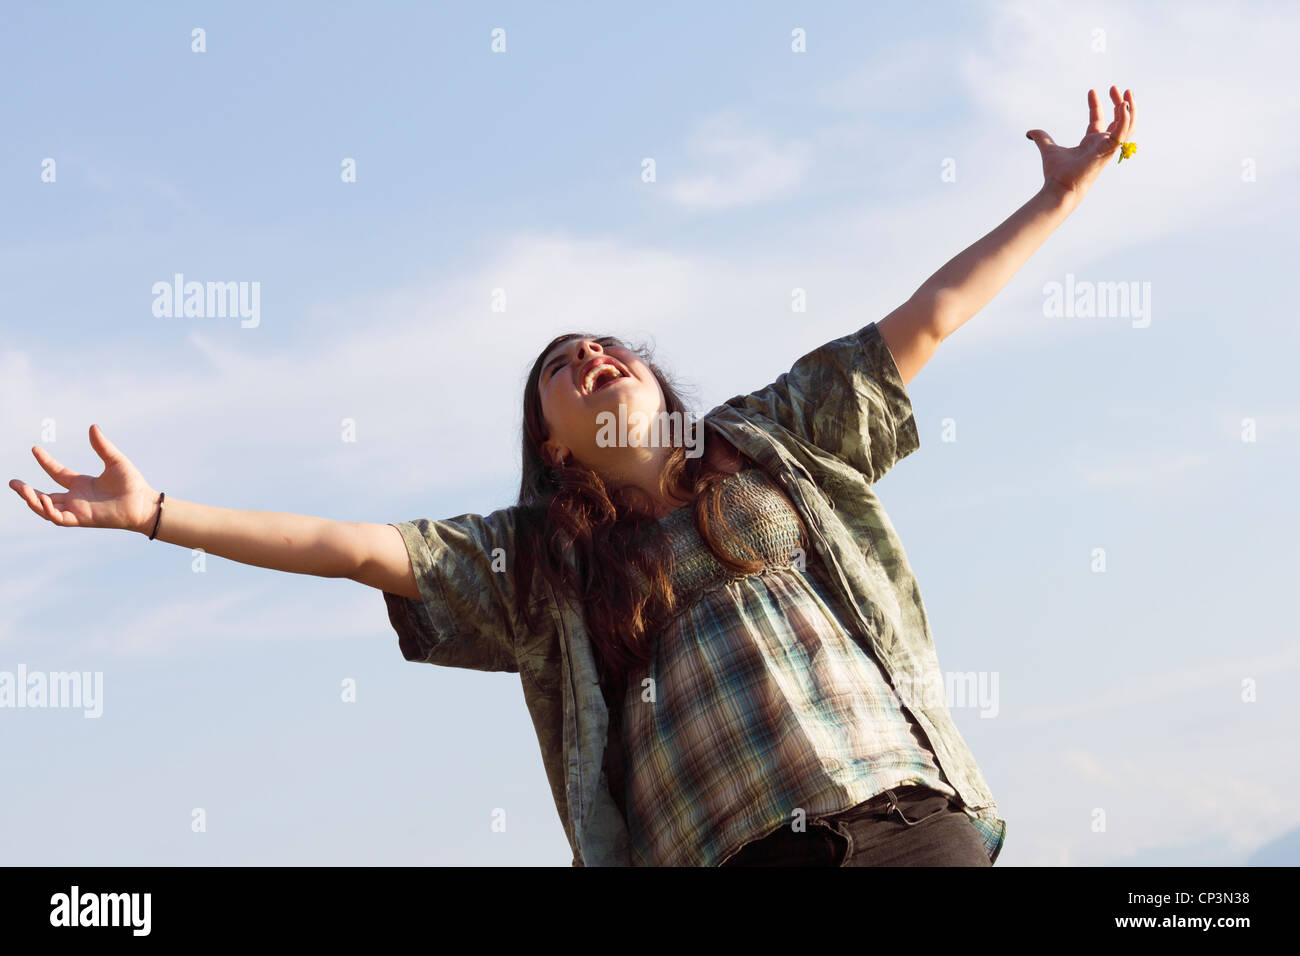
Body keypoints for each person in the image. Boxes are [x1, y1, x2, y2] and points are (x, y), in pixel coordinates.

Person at [10, 87, 1137, 866]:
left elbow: (928, 319)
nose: (589, 357)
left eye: (604, 347)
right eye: (559, 366)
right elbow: (352, 548)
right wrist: (157, 513)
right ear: (550, 441)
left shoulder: (775, 435)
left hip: (901, 818)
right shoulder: (531, 557)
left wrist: (1059, 197)